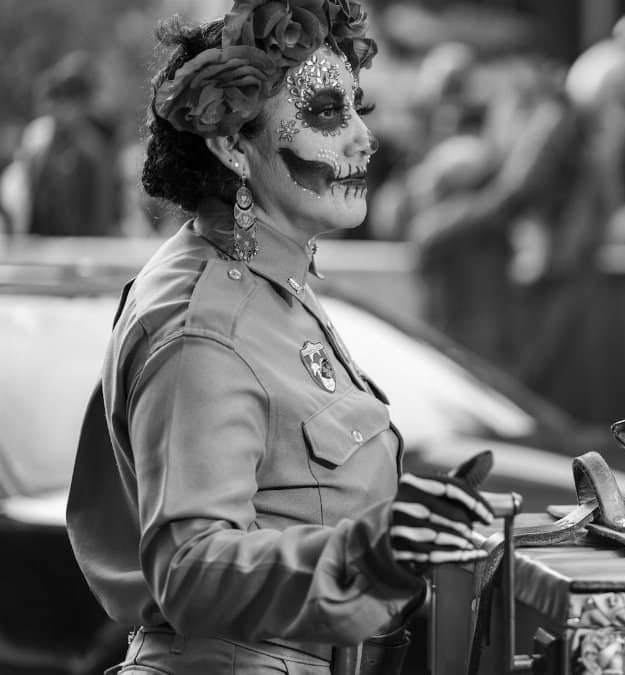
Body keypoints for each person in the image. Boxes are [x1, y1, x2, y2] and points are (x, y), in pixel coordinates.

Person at [65, 3, 495, 672]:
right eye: (327, 113)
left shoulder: (270, 280)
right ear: (232, 145)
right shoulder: (202, 320)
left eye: (360, 111)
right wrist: (373, 553)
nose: (363, 140)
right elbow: (191, 567)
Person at [4, 51, 123, 237]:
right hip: (41, 244)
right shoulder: (37, 140)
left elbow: (102, 205)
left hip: (83, 246)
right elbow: (30, 196)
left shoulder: (95, 145)